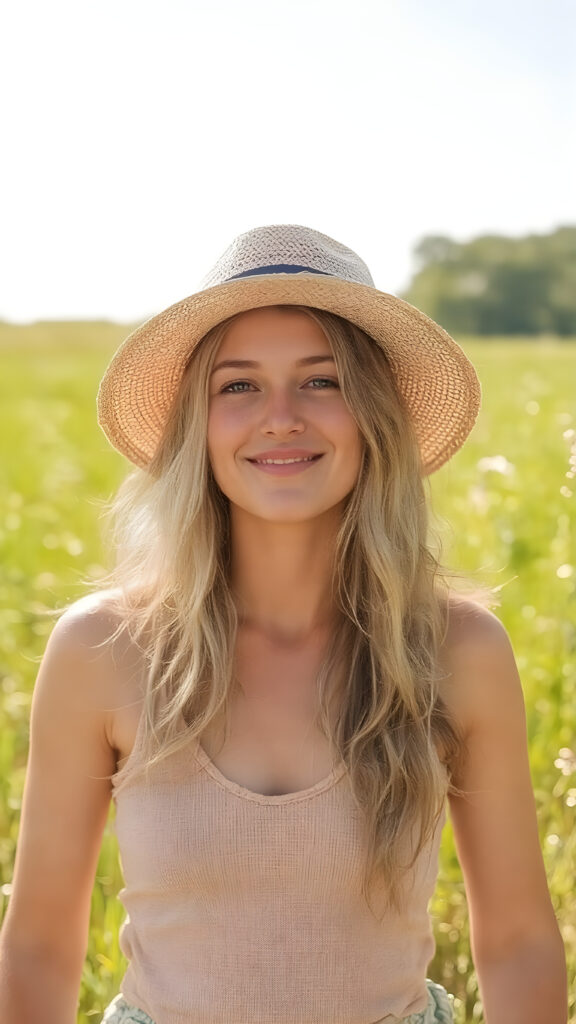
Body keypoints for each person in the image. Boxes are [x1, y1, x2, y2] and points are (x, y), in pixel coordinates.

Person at [0, 224, 567, 1024]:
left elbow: (516, 942)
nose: (281, 418)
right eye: (238, 386)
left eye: (322, 381)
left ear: (376, 416)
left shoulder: (457, 651)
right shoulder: (104, 649)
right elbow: (38, 948)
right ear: (198, 425)